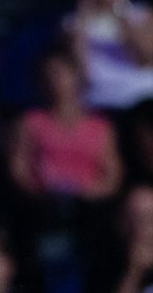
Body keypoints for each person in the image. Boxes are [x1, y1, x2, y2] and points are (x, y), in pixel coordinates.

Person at [9, 51, 123, 202]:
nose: (54, 81)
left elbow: (112, 173)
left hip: (88, 206)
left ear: (76, 76)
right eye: (48, 75)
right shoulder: (31, 122)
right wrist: (41, 193)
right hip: (42, 204)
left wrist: (88, 195)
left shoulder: (100, 127)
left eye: (59, 73)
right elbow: (18, 168)